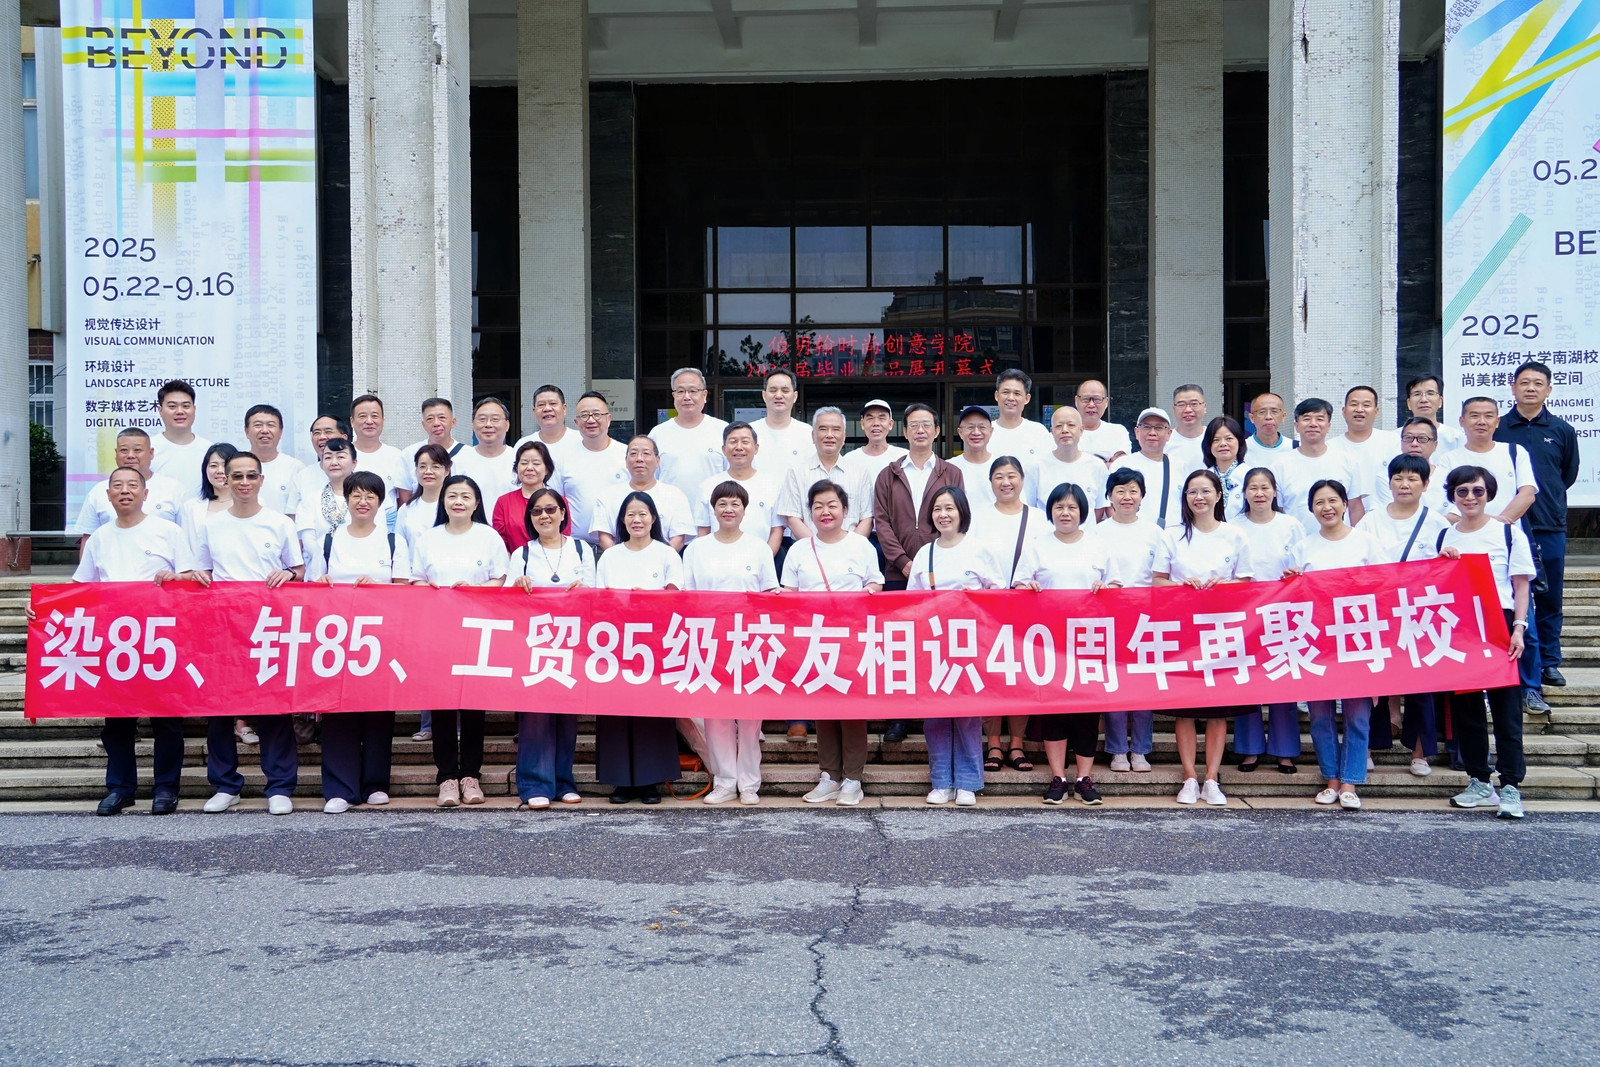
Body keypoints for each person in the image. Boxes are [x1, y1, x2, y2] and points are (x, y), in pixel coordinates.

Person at [177, 451, 305, 815]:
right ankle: (225, 784)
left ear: (261, 480)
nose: (244, 482)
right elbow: (202, 571)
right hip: (223, 627)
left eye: (251, 475)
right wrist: (196, 576)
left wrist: (289, 574)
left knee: (274, 707)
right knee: (220, 708)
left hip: (268, 625)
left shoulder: (279, 523)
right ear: (226, 480)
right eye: (237, 476)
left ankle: (279, 786)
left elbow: (298, 570)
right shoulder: (211, 525)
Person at [73, 467, 186, 816]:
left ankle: (166, 787)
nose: (125, 491)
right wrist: (44, 609)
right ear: (108, 495)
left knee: (166, 719)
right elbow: (81, 588)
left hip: (161, 639)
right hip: (115, 641)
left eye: (132, 485)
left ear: (145, 493)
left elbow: (193, 579)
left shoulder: (169, 532)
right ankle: (120, 788)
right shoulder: (100, 538)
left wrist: (176, 577)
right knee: (118, 721)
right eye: (117, 486)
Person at [1281, 479, 1386, 810]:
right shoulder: (1303, 548)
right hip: (1316, 641)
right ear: (1311, 509)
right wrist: (1290, 582)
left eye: (1332, 500)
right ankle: (1331, 779)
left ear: (1344, 504)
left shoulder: (1366, 542)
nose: (1326, 507)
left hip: (1357, 638)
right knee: (1320, 716)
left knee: (1357, 715)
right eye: (1319, 503)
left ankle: (1351, 781)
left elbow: (1385, 586)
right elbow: (1290, 598)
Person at [1439, 465, 1535, 820]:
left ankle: (1510, 785)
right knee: (1468, 712)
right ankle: (1479, 780)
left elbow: (1521, 585)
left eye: (1478, 491)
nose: (1470, 498)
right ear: (1453, 495)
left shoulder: (1507, 532)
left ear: (1489, 494)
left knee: (1506, 710)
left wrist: (1519, 628)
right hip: (1462, 628)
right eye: (1462, 491)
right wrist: (1443, 562)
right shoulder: (1444, 536)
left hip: (1500, 624)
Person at [310, 471, 410, 813]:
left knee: (378, 712)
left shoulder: (393, 540)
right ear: (347, 499)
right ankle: (340, 788)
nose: (363, 501)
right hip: (336, 640)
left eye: (370, 496)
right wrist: (322, 584)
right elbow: (312, 588)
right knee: (338, 712)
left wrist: (379, 589)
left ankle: (375, 783)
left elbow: (405, 589)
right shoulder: (328, 541)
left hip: (380, 639)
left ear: (381, 502)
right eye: (356, 495)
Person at [1152, 470, 1252, 807]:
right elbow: (1158, 581)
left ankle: (1211, 778)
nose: (1199, 497)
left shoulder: (1234, 534)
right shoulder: (1173, 535)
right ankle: (1189, 777)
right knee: (1185, 709)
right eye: (1192, 492)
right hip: (1183, 630)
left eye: (1206, 491)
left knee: (1217, 709)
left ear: (1218, 495)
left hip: (1222, 630)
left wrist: (1223, 586)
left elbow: (1246, 582)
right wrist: (1181, 587)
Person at [1013, 482, 1115, 805]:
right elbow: (1018, 587)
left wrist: (1105, 588)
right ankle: (1057, 776)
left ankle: (1084, 778)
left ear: (1082, 511)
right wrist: (1028, 587)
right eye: (1059, 507)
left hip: (1088, 643)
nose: (1065, 513)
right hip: (1049, 643)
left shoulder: (1098, 545)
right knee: (1054, 710)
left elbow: (1117, 587)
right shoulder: (1037, 546)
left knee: (1087, 711)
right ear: (1051, 511)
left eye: (1072, 507)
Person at [410, 474, 508, 808]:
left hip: (477, 632)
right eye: (452, 495)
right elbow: (416, 580)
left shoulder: (489, 537)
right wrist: (432, 591)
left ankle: (470, 776)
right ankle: (447, 778)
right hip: (438, 632)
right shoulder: (429, 538)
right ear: (443, 501)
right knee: (441, 706)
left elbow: (500, 579)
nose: (459, 502)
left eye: (466, 496)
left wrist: (475, 591)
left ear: (476, 503)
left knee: (473, 707)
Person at [783, 481, 883, 807]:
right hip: (814, 640)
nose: (825, 512)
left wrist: (864, 596)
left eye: (832, 505)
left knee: (852, 709)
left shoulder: (861, 546)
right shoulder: (800, 550)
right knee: (823, 708)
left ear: (845, 510)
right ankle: (829, 776)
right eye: (818, 506)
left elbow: (875, 585)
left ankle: (853, 779)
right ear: (810, 512)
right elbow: (789, 594)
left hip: (852, 639)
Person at [1441, 395, 1543, 712]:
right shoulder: (1449, 458)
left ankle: (1530, 688)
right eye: (1474, 415)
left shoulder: (1514, 451)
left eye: (1488, 415)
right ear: (1462, 421)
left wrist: (1495, 525)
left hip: (1504, 547)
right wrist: (1474, 524)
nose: (1481, 421)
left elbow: (1528, 493)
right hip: (1464, 550)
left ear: (1498, 421)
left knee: (1522, 624)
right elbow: (1444, 508)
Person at [684, 481, 781, 805]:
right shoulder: (697, 549)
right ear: (713, 509)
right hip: (710, 639)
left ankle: (750, 783)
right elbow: (688, 597)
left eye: (735, 504)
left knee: (750, 716)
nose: (728, 509)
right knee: (716, 716)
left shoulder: (758, 548)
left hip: (749, 640)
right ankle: (725, 782)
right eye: (722, 504)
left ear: (744, 509)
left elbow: (769, 595)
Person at [1356, 454, 1451, 777]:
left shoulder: (1437, 523)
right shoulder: (1370, 520)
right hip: (1378, 612)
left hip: (1421, 614)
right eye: (1398, 478)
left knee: (1421, 687)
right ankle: (1367, 747)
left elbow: (1446, 571)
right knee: (1373, 684)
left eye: (1412, 479)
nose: (1404, 484)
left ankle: (1419, 753)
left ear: (1425, 484)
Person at [872, 402, 961, 743]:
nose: (920, 430)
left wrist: (928, 564)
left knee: (939, 643)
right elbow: (882, 523)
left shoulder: (951, 472)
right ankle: (899, 717)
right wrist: (905, 564)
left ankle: (940, 709)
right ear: (905, 431)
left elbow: (956, 517)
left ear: (937, 431)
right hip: (898, 575)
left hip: (942, 572)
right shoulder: (889, 474)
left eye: (927, 424)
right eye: (914, 425)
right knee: (900, 646)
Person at [908, 486, 1000, 807]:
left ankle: (968, 783)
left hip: (970, 644)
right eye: (937, 509)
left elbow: (999, 594)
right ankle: (941, 782)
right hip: (933, 643)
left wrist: (973, 600)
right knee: (935, 715)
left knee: (967, 713)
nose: (943, 515)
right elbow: (912, 600)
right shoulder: (926, 553)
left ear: (962, 512)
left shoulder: (979, 549)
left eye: (949, 508)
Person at [594, 492, 686, 805]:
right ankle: (621, 782)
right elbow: (600, 598)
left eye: (643, 513)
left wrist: (649, 597)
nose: (637, 520)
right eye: (631, 514)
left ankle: (650, 781)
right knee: (617, 711)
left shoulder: (666, 553)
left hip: (654, 641)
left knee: (652, 710)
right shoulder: (610, 556)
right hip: (615, 643)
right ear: (622, 520)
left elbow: (676, 593)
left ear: (653, 518)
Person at [505, 486, 592, 810]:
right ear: (530, 517)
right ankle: (534, 783)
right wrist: (517, 586)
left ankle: (563, 781)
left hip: (571, 643)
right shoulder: (522, 554)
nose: (544, 516)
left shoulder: (581, 549)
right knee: (535, 716)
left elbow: (596, 594)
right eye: (537, 511)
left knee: (566, 715)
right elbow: (505, 600)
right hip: (534, 644)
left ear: (563, 513)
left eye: (551, 509)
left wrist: (584, 589)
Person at [1495, 360, 1579, 692]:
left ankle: (1549, 662)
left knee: (1549, 596)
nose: (1531, 388)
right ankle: (1508, 660)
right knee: (1508, 595)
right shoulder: (1498, 428)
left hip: (1548, 523)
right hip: (1505, 526)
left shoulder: (1561, 430)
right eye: (1524, 382)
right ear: (1513, 387)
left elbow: (1567, 474)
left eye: (1538, 383)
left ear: (1549, 389)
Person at [971, 455, 1049, 770]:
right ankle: (993, 743)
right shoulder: (978, 518)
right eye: (999, 476)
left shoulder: (1039, 518)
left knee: (1021, 675)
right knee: (990, 674)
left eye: (1012, 475)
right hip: (987, 607)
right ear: (990, 482)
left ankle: (1016, 743)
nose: (1006, 482)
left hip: (1027, 608)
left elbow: (1047, 558)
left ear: (1022, 480)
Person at [177, 441, 257, 749]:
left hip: (246, 599)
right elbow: (188, 549)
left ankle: (244, 720)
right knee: (216, 662)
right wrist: (190, 575)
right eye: (213, 465)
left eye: (225, 465)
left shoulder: (252, 507)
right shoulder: (192, 507)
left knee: (246, 660)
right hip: (203, 594)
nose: (219, 471)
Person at [1230, 467, 1305, 774]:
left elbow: (1303, 564)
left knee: (1281, 680)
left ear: (1275, 492)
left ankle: (1284, 751)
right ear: (1244, 493)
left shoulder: (1291, 525)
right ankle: (1250, 749)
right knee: (1248, 680)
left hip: (1282, 612)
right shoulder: (1233, 526)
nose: (1259, 493)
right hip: (1244, 613)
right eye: (1253, 488)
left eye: (1265, 487)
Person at [1093, 467, 1166, 774]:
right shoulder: (1097, 533)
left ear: (1142, 496)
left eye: (1133, 491)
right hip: (1109, 617)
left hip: (1147, 618)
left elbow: (1163, 574)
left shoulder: (1155, 533)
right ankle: (1118, 750)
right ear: (1109, 496)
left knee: (1143, 685)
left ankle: (1140, 749)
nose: (1127, 496)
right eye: (1120, 491)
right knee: (1115, 684)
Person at [1272, 398, 1367, 533]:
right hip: (1296, 542)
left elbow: (1355, 508)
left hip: (1339, 541)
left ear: (1328, 426)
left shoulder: (1347, 461)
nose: (1313, 424)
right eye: (1306, 418)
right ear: (1296, 426)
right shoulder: (1279, 465)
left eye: (1320, 419)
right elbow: (1277, 511)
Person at [778, 406, 872, 540]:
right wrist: (817, 547)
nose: (829, 435)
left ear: (844, 437)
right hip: (808, 549)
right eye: (823, 429)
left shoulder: (860, 472)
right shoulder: (796, 472)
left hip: (852, 550)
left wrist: (849, 547)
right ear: (813, 436)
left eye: (836, 429)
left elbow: (867, 518)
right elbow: (792, 518)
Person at [74, 427, 184, 539]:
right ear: (116, 453)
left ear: (151, 453)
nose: (130, 455)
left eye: (137, 450)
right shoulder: (99, 491)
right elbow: (89, 540)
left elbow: (184, 536)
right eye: (124, 450)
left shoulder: (173, 488)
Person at [692, 424, 783, 553]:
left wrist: (764, 560)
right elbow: (703, 530)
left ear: (756, 448)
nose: (739, 447)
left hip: (759, 561)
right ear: (724, 449)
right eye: (733, 441)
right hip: (717, 558)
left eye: (745, 442)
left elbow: (777, 530)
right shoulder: (707, 486)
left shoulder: (772, 485)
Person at [595, 435, 697, 551]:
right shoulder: (608, 496)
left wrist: (661, 558)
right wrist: (621, 557)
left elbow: (678, 538)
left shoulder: (675, 495)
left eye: (646, 453)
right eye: (633, 454)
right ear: (626, 461)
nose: (639, 459)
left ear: (657, 461)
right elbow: (604, 537)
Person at [561, 391, 631, 548]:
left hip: (620, 545)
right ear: (576, 422)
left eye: (597, 414)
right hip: (576, 546)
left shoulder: (626, 455)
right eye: (584, 415)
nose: (591, 420)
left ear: (609, 419)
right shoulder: (563, 458)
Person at [649, 368, 729, 504]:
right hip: (669, 511)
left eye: (693, 391)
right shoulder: (658, 433)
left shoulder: (722, 430)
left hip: (713, 511)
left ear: (704, 395)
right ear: (674, 396)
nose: (687, 397)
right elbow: (650, 478)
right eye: (680, 391)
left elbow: (733, 474)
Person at [1110, 407, 1191, 527]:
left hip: (1173, 533)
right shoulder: (1121, 464)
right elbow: (1110, 506)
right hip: (1134, 532)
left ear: (1169, 434)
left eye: (1159, 427)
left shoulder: (1179, 465)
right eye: (1146, 427)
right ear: (1137, 432)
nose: (1152, 433)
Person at [1030, 406, 1107, 523]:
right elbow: (1030, 507)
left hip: (1086, 533)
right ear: (1052, 432)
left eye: (1071, 425)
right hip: (1046, 533)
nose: (1065, 430)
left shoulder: (1096, 466)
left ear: (1081, 430)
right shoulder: (1036, 466)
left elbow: (1099, 507)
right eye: (1059, 426)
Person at [1329, 386, 1401, 509]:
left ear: (1376, 411)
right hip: (1345, 516)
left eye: (1366, 405)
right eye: (1354, 404)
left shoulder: (1393, 441)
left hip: (1386, 514)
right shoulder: (1330, 447)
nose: (1359, 409)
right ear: (1344, 411)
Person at [295, 438, 356, 580]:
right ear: (322, 465)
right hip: (320, 576)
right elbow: (309, 543)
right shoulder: (310, 501)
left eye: (340, 457)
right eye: (328, 457)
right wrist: (334, 562)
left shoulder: (368, 499)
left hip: (358, 574)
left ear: (354, 463)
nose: (334, 462)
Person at [491, 439, 565, 552]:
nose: (529, 468)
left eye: (536, 463)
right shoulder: (503, 502)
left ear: (547, 469)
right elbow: (501, 545)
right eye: (524, 463)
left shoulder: (559, 501)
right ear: (517, 468)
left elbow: (564, 538)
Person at [147, 380, 214, 499]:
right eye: (172, 406)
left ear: (194, 409)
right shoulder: (148, 449)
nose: (179, 411)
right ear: (160, 410)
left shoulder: (210, 450)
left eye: (186, 406)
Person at [1369, 417, 1449, 512]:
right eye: (1408, 438)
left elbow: (1456, 515)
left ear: (1435, 445)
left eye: (1422, 439)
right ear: (1401, 442)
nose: (1414, 444)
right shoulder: (1386, 478)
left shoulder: (1448, 477)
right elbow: (1392, 513)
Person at [451, 397, 520, 500]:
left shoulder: (519, 460)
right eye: (482, 419)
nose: (488, 425)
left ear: (507, 425)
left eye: (495, 419)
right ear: (473, 424)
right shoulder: (459, 461)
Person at [243, 404, 306, 515]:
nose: (264, 430)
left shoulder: (296, 468)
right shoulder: (235, 466)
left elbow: (297, 512)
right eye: (258, 425)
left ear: (281, 432)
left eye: (270, 425)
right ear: (247, 431)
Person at [395, 398, 466, 495]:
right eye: (430, 419)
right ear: (423, 425)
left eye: (442, 418)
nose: (436, 423)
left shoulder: (468, 454)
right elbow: (405, 497)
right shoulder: (409, 454)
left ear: (453, 422)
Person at [749, 369, 813, 477]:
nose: (778, 395)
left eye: (785, 390)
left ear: (795, 396)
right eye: (773, 390)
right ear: (764, 396)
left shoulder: (808, 433)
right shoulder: (749, 432)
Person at [350, 394, 411, 505]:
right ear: (352, 421)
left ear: (383, 420)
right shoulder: (343, 456)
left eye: (374, 416)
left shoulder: (396, 456)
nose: (369, 421)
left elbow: (403, 499)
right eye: (362, 416)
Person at [987, 370, 1054, 464]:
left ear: (1027, 398)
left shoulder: (1038, 431)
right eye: (1006, 392)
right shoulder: (984, 432)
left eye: (1017, 393)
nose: (1011, 398)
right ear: (997, 396)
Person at [839, 398, 907, 490]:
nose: (876, 423)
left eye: (881, 418)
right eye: (870, 418)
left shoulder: (903, 457)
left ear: (890, 424)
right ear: (862, 424)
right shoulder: (849, 459)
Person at [511, 384, 580, 473]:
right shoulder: (523, 444)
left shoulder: (581, 440)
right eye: (541, 405)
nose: (547, 409)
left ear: (564, 409)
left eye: (553, 403)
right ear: (534, 411)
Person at [949, 406, 999, 509]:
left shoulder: (1002, 466)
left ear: (991, 431)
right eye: (970, 427)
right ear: (960, 432)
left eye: (982, 427)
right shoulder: (949, 468)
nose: (976, 432)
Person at [1074, 379, 1132, 463]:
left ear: (1106, 402)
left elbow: (1120, 465)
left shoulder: (1118, 432)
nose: (1091, 405)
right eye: (1086, 399)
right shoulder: (1063, 432)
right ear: (1076, 401)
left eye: (1097, 399)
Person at [1404, 374, 1466, 452]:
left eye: (1430, 393)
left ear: (1440, 401)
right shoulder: (1394, 438)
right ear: (1409, 403)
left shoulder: (1457, 438)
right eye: (1417, 394)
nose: (1424, 400)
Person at [1202, 416, 1249, 516]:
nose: (1223, 444)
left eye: (1229, 439)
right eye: (1216, 440)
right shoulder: (1203, 477)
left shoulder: (1250, 475)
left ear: (1239, 441)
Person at [1165, 384, 1209, 473]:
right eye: (1181, 405)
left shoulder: (1214, 438)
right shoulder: (1165, 441)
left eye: (1194, 404)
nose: (1188, 410)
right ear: (1174, 409)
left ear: (1204, 407)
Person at [1246, 392, 1294, 456]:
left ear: (1283, 416)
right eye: (1262, 412)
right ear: (1252, 418)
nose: (1268, 417)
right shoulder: (1241, 448)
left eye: (1274, 411)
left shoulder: (1295, 448)